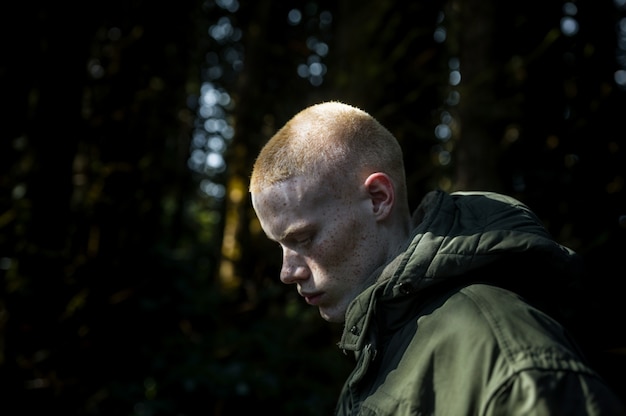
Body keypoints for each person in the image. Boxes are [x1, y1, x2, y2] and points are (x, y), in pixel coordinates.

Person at [249, 101, 625, 415]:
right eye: (279, 245)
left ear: (378, 199)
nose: (286, 272)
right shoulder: (384, 342)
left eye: (302, 237)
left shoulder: (505, 351)